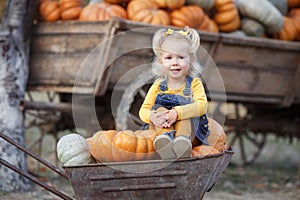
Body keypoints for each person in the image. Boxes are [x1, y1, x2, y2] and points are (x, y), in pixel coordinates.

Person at [139, 27, 210, 160]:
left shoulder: (194, 83)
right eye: (169, 58)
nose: (175, 63)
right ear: (160, 62)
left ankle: (182, 144)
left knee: (185, 115)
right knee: (158, 109)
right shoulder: (158, 85)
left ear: (191, 60)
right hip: (162, 129)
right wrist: (152, 116)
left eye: (181, 57)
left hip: (189, 134)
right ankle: (164, 141)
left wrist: (178, 112)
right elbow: (144, 110)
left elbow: (202, 106)